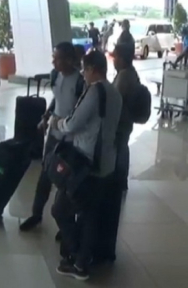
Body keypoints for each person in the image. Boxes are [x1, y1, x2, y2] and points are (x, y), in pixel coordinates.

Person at [50, 50, 122, 281]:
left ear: (92, 68)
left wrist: (57, 122)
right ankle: (82, 261)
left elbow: (73, 124)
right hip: (106, 163)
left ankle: (75, 256)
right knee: (89, 213)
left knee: (60, 209)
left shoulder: (95, 91)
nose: (84, 74)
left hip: (85, 163)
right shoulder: (115, 93)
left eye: (85, 69)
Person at [20, 42, 84, 232]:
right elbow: (56, 99)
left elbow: (80, 111)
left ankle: (64, 224)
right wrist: (47, 115)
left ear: (69, 60)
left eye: (57, 58)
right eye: (53, 57)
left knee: (65, 180)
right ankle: (36, 214)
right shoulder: (55, 75)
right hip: (54, 135)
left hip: (70, 138)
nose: (53, 62)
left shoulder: (80, 82)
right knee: (45, 174)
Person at [112, 43, 139, 191]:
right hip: (126, 120)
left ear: (122, 58)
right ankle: (121, 180)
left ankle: (120, 180)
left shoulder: (124, 76)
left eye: (115, 57)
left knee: (120, 149)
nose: (114, 60)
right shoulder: (130, 72)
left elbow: (114, 99)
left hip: (121, 121)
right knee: (122, 147)